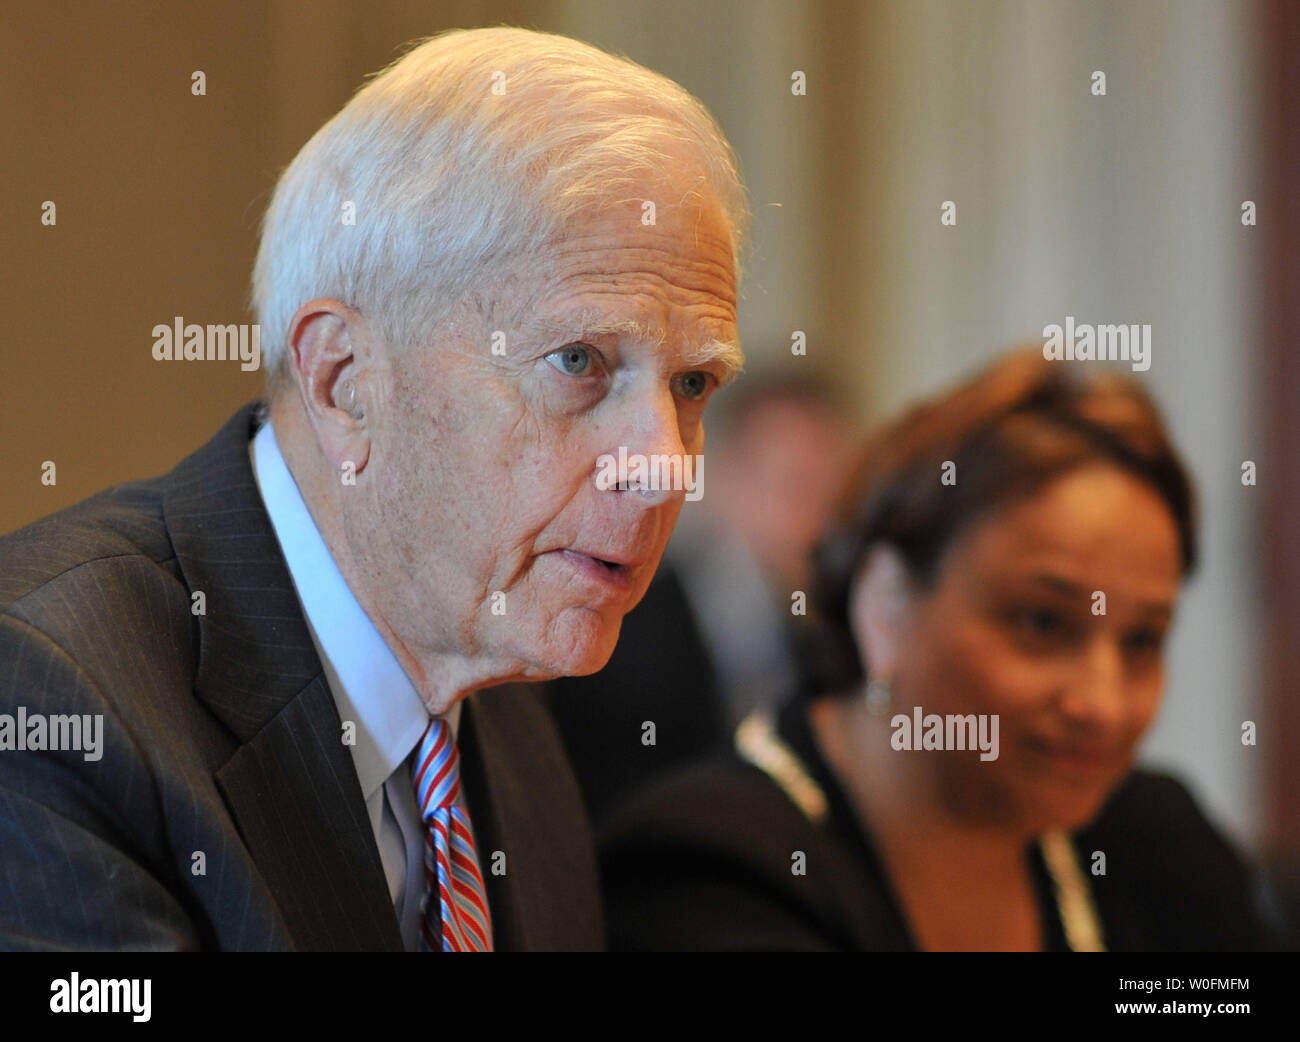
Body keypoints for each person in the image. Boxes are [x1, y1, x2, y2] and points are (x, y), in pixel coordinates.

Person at [0, 26, 747, 951]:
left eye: (692, 386)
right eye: (580, 362)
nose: (664, 463)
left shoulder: (509, 708)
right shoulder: (49, 694)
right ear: (345, 382)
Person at [601, 351, 1278, 951]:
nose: (1100, 702)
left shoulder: (1150, 840)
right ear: (886, 605)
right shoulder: (708, 870)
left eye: (1142, 641)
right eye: (1042, 622)